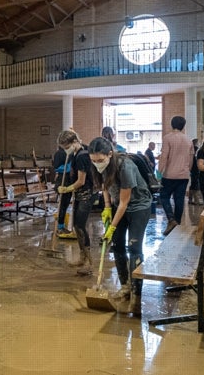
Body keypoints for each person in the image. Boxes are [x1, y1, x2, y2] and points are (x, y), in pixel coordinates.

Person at [89, 136, 152, 315]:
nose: (97, 164)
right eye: (93, 161)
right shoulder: (100, 166)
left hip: (139, 206)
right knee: (117, 245)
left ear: (110, 154)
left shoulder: (126, 166)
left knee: (134, 246)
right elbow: (105, 186)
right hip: (118, 205)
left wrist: (112, 227)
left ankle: (136, 293)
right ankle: (125, 286)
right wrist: (107, 207)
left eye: (100, 160)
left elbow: (125, 202)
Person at [57, 130, 97, 275]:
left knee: (80, 226)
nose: (65, 150)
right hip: (82, 194)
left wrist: (67, 189)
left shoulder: (81, 156)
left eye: (66, 147)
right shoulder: (78, 153)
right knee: (76, 225)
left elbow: (81, 181)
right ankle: (83, 257)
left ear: (74, 142)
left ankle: (89, 262)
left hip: (86, 193)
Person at [157, 116, 194, 236]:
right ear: (183, 126)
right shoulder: (188, 140)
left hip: (169, 175)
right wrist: (187, 171)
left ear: (172, 124)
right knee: (179, 200)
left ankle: (171, 219)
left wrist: (159, 173)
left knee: (164, 196)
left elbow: (164, 156)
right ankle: (176, 224)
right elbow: (191, 159)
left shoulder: (168, 138)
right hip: (183, 175)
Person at [52, 145, 74, 237]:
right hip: (62, 180)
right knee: (62, 205)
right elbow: (56, 167)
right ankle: (60, 227)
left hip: (69, 180)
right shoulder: (59, 153)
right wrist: (67, 167)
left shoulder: (71, 153)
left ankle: (62, 226)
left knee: (65, 205)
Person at [189, 138, 202, 205]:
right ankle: (196, 200)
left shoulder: (190, 149)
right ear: (196, 143)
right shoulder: (197, 149)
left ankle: (190, 199)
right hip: (196, 169)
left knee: (193, 184)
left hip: (192, 169)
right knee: (196, 184)